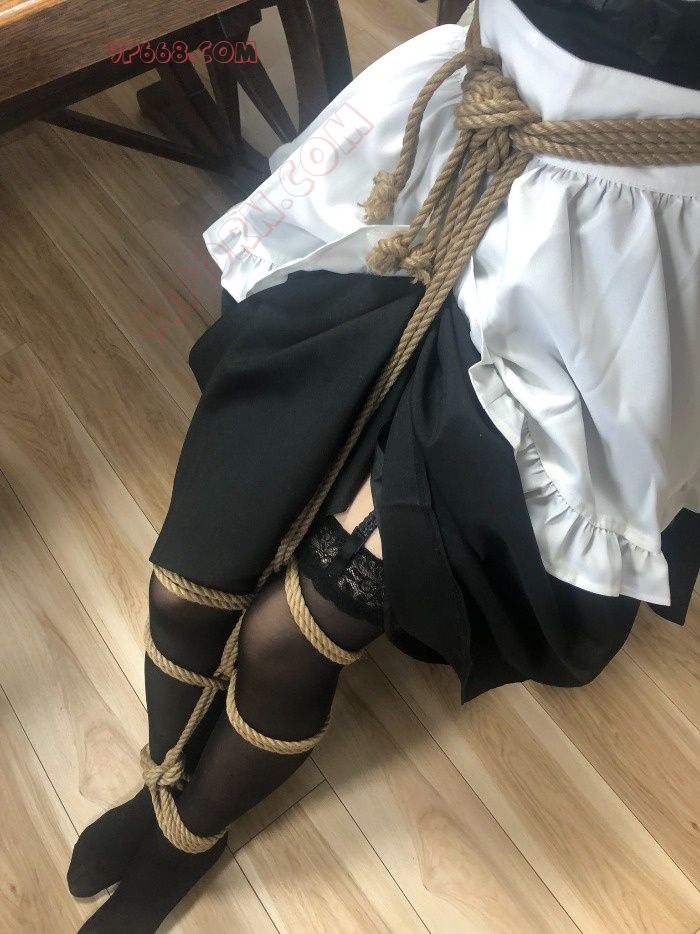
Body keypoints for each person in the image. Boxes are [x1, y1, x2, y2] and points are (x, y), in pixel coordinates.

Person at [69, 0, 700, 929]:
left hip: (606, 291)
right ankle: (167, 777)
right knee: (183, 592)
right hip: (436, 172)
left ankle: (188, 838)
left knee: (289, 636)